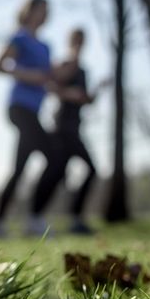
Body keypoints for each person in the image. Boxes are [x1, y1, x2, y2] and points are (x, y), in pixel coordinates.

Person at [27, 28, 106, 235]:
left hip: (75, 127)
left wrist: (99, 88)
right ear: (70, 41)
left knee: (87, 170)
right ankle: (35, 216)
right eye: (76, 40)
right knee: (56, 171)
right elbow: (50, 86)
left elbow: (86, 100)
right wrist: (68, 94)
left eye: (82, 41)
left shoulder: (83, 71)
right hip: (61, 127)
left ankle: (74, 218)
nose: (79, 45)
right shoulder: (63, 65)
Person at [0, 0, 53, 238]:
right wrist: (27, 74)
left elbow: (48, 78)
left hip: (35, 110)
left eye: (47, 11)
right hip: (19, 108)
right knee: (54, 157)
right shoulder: (19, 37)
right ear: (29, 11)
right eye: (41, 9)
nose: (45, 14)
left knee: (19, 169)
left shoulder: (46, 46)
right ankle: (34, 218)